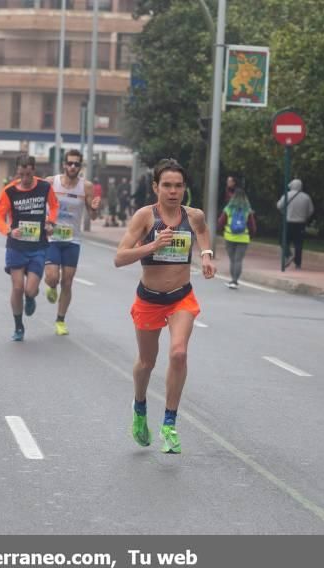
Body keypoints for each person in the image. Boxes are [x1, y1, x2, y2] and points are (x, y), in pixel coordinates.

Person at [114, 158, 216, 454]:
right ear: (156, 187)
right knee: (147, 362)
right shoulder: (145, 217)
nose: (173, 191)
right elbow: (119, 257)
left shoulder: (193, 215)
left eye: (179, 186)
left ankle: (169, 424)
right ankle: (140, 406)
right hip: (149, 299)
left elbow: (203, 233)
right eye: (167, 186)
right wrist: (152, 246)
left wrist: (207, 255)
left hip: (181, 297)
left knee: (179, 353)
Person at [0, 156, 59, 342]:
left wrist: (51, 222)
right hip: (16, 246)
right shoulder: (10, 191)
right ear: (17, 172)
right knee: (17, 287)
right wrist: (9, 231)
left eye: (28, 174)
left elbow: (54, 206)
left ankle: (30, 298)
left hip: (38, 245)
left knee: (30, 290)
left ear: (34, 171)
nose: (25, 178)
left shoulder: (44, 187)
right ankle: (18, 326)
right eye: (21, 174)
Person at [43, 149, 101, 336]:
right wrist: (45, 222)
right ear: (64, 165)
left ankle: (60, 320)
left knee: (67, 282)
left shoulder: (86, 187)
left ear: (80, 166)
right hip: (52, 237)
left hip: (73, 239)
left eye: (76, 164)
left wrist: (94, 209)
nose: (73, 167)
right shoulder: (52, 182)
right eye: (70, 163)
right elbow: (38, 202)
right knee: (53, 277)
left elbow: (92, 216)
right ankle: (51, 286)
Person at [218, 187, 256, 289]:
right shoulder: (248, 210)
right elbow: (252, 227)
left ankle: (232, 280)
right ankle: (235, 281)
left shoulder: (228, 209)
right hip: (243, 239)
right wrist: (250, 236)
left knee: (232, 260)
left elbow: (220, 222)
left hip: (229, 237)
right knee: (238, 260)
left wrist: (224, 233)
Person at [276, 178, 314, 269]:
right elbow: (311, 210)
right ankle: (298, 264)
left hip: (288, 222)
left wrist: (284, 212)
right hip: (301, 223)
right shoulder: (306, 197)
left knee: (283, 240)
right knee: (298, 244)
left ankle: (288, 254)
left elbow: (279, 206)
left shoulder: (287, 195)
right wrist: (304, 217)